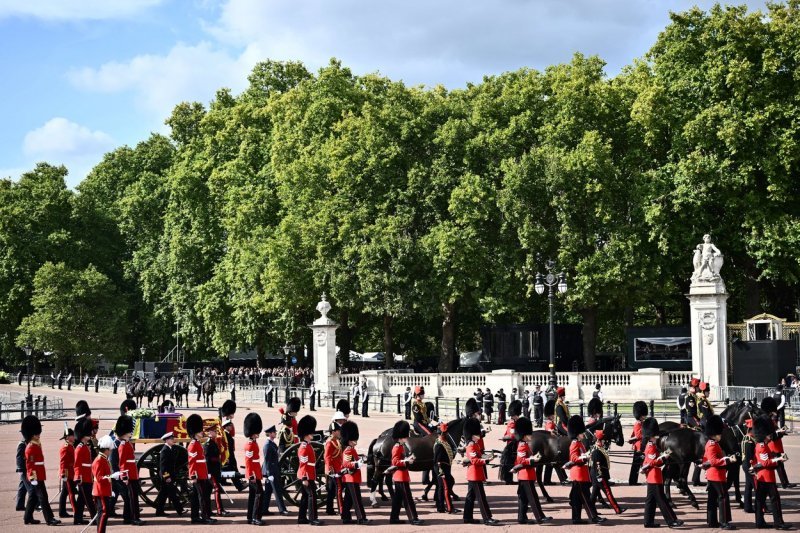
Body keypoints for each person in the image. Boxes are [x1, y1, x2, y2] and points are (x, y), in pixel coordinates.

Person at [640, 417, 682, 528]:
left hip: (652, 477)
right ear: (652, 435)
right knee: (662, 500)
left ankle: (648, 521)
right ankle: (671, 520)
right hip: (654, 477)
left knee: (650, 501)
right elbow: (654, 463)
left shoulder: (651, 445)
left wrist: (666, 453)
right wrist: (665, 457)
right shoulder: (651, 447)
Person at [751, 416, 792, 530]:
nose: (770, 436)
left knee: (760, 500)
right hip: (767, 477)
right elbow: (766, 463)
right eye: (768, 434)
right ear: (764, 434)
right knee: (775, 500)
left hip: (762, 477)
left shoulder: (760, 444)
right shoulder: (762, 446)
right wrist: (778, 460)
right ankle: (778, 523)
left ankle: (760, 522)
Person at [565, 415, 604, 525]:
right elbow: (573, 458)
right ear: (577, 433)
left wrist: (586, 454)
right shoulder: (574, 444)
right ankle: (593, 517)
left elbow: (581, 455)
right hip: (578, 475)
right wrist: (584, 457)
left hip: (581, 474)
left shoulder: (579, 443)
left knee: (577, 499)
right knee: (586, 498)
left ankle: (576, 519)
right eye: (582, 433)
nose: (584, 434)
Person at [22, 415, 60, 526]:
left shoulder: (36, 444)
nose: (39, 434)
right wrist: (33, 477)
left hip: (39, 473)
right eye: (37, 433)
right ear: (32, 433)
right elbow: (30, 464)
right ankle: (50, 519)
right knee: (43, 497)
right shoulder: (30, 447)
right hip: (36, 476)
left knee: (33, 497)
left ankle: (27, 517)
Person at [513, 416, 550, 524]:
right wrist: (532, 459)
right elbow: (521, 461)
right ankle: (540, 517)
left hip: (526, 475)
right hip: (525, 475)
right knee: (533, 498)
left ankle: (522, 517)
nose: (531, 436)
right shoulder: (522, 446)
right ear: (524, 435)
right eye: (529, 434)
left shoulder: (525, 445)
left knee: (523, 498)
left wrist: (533, 458)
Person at [462, 417, 499, 525]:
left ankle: (467, 517)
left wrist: (488, 456)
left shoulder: (475, 444)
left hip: (474, 474)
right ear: (472, 434)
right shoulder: (471, 446)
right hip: (475, 475)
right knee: (481, 498)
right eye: (477, 434)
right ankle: (487, 518)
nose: (479, 436)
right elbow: (474, 460)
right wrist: (486, 461)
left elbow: (479, 456)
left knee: (471, 497)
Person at [702, 415, 736, 530]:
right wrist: (727, 460)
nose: (721, 435)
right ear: (714, 434)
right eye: (719, 433)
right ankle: (724, 522)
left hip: (713, 475)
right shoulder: (712, 445)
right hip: (716, 475)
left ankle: (712, 521)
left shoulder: (713, 443)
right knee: (723, 497)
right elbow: (713, 461)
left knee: (712, 498)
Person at [389, 421, 422, 525]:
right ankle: (413, 518)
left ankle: (394, 518)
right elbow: (395, 462)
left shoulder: (401, 446)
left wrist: (407, 459)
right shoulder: (397, 447)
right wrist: (406, 461)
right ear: (401, 436)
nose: (407, 438)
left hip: (402, 476)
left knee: (398, 500)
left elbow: (401, 460)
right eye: (405, 436)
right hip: (400, 476)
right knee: (408, 499)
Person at [114, 414, 144, 525]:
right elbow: (122, 463)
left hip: (132, 473)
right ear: (124, 432)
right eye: (129, 431)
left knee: (132, 497)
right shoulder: (122, 445)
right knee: (132, 498)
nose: (131, 432)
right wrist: (125, 476)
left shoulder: (127, 443)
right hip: (129, 475)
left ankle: (127, 517)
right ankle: (134, 518)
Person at [761, 396, 795, 488]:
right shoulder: (768, 421)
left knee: (779, 465)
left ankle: (784, 483)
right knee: (778, 465)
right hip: (773, 445)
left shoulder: (771, 420)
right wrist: (780, 433)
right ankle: (783, 483)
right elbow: (771, 435)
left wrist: (781, 431)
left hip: (776, 444)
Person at [186, 414, 213, 524]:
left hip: (202, 474)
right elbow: (192, 462)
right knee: (202, 497)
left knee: (197, 497)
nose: (202, 432)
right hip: (198, 475)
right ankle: (205, 517)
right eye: (200, 431)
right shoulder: (193, 445)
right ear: (196, 432)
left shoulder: (197, 443)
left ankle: (195, 517)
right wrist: (193, 475)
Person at [340, 421, 369, 524]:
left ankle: (345, 517)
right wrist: (357, 464)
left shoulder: (352, 449)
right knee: (357, 499)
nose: (355, 442)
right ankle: (361, 518)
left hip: (353, 477)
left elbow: (354, 459)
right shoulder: (348, 450)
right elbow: (346, 463)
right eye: (353, 440)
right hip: (350, 478)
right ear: (348, 440)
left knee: (349, 499)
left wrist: (360, 459)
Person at [590, 429, 624, 514]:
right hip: (599, 474)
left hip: (596, 474)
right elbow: (597, 464)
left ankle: (591, 510)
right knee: (608, 492)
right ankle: (617, 509)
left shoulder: (599, 448)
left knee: (594, 493)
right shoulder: (597, 450)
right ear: (599, 440)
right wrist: (599, 476)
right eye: (603, 440)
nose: (604, 442)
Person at [297, 415, 322, 525]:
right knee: (312, 496)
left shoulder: (307, 445)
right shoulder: (304, 447)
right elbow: (303, 465)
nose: (312, 434)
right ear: (306, 434)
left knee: (305, 497)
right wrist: (304, 478)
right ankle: (312, 518)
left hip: (309, 474)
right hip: (306, 475)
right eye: (311, 432)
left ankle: (302, 518)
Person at [154, 432, 184, 517]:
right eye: (171, 439)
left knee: (163, 494)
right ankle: (180, 510)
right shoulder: (165, 450)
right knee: (173, 494)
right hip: (166, 476)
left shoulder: (169, 448)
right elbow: (163, 466)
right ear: (167, 440)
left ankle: (159, 511)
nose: (173, 440)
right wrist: (167, 477)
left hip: (168, 475)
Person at [260, 424, 288, 516]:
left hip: (272, 470)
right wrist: (269, 474)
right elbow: (267, 460)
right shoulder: (267, 445)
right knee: (277, 491)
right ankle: (282, 509)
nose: (275, 433)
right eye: (274, 432)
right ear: (270, 433)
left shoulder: (271, 443)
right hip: (271, 471)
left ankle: (264, 509)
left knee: (268, 491)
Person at [73, 417, 96, 525]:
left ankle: (77, 518)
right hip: (83, 477)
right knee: (89, 500)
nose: (90, 434)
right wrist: (78, 477)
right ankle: (95, 518)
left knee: (82, 500)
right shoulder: (79, 448)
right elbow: (77, 464)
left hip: (87, 475)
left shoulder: (85, 446)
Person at [243, 412, 265, 525]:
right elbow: (248, 462)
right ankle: (255, 517)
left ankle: (250, 517)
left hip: (256, 473)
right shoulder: (250, 444)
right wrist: (251, 475)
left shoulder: (253, 443)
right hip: (253, 474)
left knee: (253, 495)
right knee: (259, 494)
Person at [205, 425, 231, 517]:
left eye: (215, 431)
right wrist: (208, 473)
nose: (216, 433)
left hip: (215, 470)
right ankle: (219, 510)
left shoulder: (213, 442)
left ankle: (208, 511)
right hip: (211, 471)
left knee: (208, 491)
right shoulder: (208, 444)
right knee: (217, 489)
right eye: (214, 432)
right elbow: (207, 460)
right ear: (209, 433)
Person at [433, 423, 457, 515]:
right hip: (441, 469)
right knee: (445, 488)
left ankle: (441, 507)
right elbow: (438, 461)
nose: (447, 434)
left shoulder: (444, 443)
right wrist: (441, 472)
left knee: (443, 487)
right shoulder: (439, 445)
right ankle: (449, 508)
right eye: (445, 433)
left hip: (445, 468)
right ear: (442, 434)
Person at [499, 400, 522, 484]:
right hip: (512, 445)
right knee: (510, 462)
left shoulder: (514, 421)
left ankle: (509, 479)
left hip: (513, 443)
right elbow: (512, 435)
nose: (518, 416)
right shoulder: (512, 423)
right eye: (517, 415)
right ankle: (509, 479)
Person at [324, 420, 344, 516]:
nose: (339, 432)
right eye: (338, 431)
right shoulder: (330, 442)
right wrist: (330, 469)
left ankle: (329, 509)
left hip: (338, 468)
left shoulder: (336, 441)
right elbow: (327, 457)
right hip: (333, 470)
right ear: (333, 432)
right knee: (336, 490)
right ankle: (339, 509)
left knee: (332, 491)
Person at [58, 426, 77, 519]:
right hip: (67, 474)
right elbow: (63, 462)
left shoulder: (70, 446)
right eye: (72, 435)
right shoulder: (66, 447)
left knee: (64, 493)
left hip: (70, 472)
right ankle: (76, 511)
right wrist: (63, 474)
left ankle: (62, 511)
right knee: (71, 493)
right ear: (67, 437)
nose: (74, 437)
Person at [17, 430, 38, 512]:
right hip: (25, 469)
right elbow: (19, 457)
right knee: (32, 488)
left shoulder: (31, 442)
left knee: (22, 487)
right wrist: (20, 469)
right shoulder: (22, 444)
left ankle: (19, 505)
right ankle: (36, 504)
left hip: (29, 468)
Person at [628, 400, 648, 486]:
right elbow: (638, 435)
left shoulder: (641, 423)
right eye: (643, 415)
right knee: (639, 464)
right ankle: (633, 481)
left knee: (637, 465)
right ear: (640, 415)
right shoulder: (638, 424)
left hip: (641, 445)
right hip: (640, 446)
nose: (645, 416)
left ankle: (633, 481)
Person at [741, 418, 756, 514]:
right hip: (749, 465)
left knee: (748, 487)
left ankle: (747, 506)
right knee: (757, 487)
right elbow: (750, 456)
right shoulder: (749, 440)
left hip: (746, 464)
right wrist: (753, 467)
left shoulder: (747, 438)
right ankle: (762, 507)